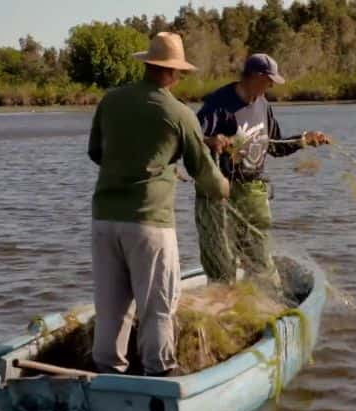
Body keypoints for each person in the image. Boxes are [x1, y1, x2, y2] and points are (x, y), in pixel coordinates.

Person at [87, 32, 229, 376]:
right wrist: (225, 187)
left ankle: (107, 373)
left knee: (110, 307)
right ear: (171, 72)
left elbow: (96, 153)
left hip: (104, 220)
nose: (179, 77)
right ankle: (160, 374)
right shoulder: (179, 114)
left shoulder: (111, 100)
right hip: (150, 224)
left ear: (147, 64)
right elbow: (206, 176)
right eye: (179, 71)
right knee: (158, 307)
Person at [195, 54, 330, 287]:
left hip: (253, 192)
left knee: (261, 263)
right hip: (219, 194)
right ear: (256, 77)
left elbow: (275, 147)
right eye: (269, 81)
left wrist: (304, 140)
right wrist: (210, 141)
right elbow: (190, 139)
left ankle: (266, 311)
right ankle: (224, 312)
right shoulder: (218, 104)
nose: (271, 86)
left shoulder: (264, 105)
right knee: (221, 265)